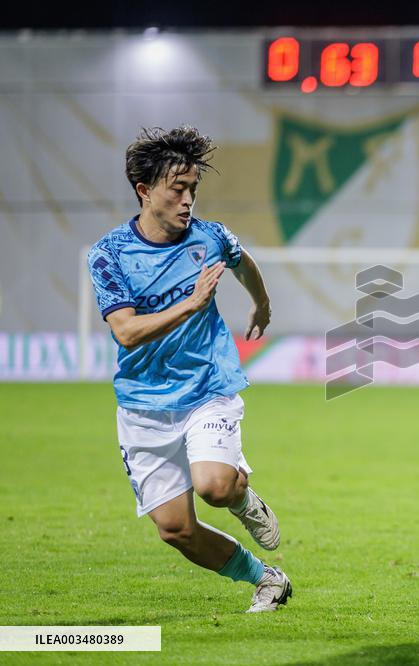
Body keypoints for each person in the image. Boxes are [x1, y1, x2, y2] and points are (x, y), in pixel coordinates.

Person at [87, 126, 291, 613]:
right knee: (175, 528)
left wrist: (261, 305)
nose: (187, 201)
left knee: (214, 486)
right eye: (177, 189)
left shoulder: (211, 237)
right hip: (144, 404)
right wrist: (192, 303)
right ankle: (268, 580)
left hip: (207, 386)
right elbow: (127, 332)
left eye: (193, 190)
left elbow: (244, 264)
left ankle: (240, 498)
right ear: (144, 191)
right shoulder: (109, 255)